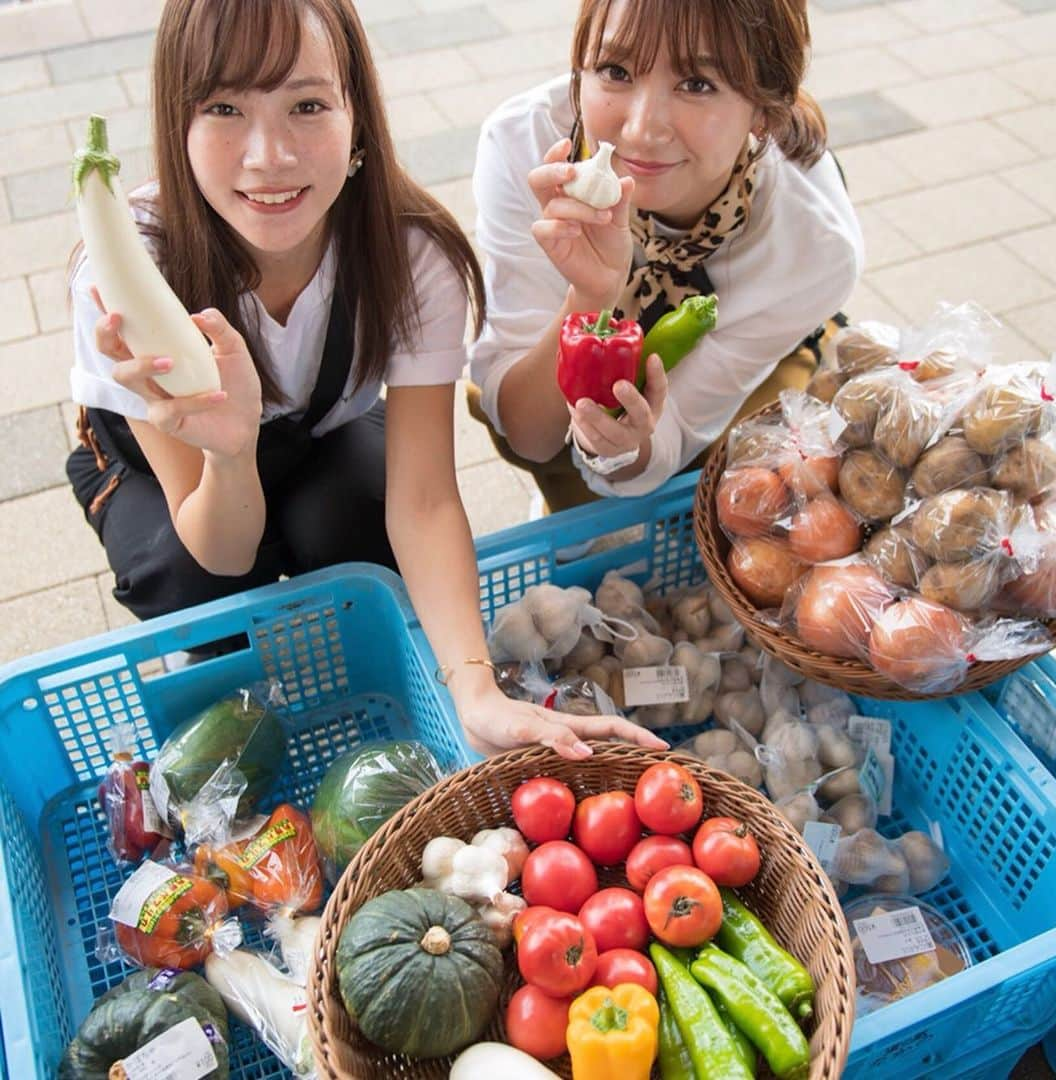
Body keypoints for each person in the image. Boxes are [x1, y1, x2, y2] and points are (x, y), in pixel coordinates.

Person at [65, 0, 664, 761]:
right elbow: (220, 547)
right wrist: (227, 453)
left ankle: (368, 663)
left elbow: (426, 498)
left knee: (361, 522)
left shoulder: (412, 255)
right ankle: (211, 664)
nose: (268, 155)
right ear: (175, 126)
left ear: (358, 122)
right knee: (196, 582)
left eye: (307, 105)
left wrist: (474, 686)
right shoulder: (130, 270)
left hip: (319, 433)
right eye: (223, 107)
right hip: (170, 472)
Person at [468, 0, 864, 511]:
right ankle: (575, 513)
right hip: (574, 385)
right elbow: (528, 434)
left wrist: (625, 449)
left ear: (765, 110)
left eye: (697, 83)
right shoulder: (524, 146)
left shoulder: (812, 245)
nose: (641, 129)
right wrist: (589, 295)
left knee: (745, 465)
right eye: (615, 71)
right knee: (505, 400)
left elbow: (675, 433)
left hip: (749, 368)